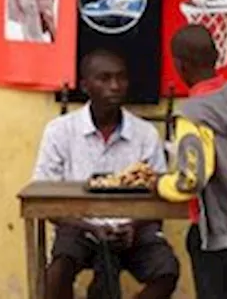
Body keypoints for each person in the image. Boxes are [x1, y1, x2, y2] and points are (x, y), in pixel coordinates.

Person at [32, 49, 179, 299]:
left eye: (121, 78)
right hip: (78, 226)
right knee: (57, 271)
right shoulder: (60, 132)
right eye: (105, 78)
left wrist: (133, 225)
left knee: (167, 271)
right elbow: (43, 198)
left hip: (134, 228)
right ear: (85, 85)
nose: (115, 86)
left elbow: (159, 195)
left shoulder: (145, 134)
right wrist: (89, 227)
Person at [154, 25, 227, 297]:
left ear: (179, 65)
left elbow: (190, 179)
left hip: (219, 237)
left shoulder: (193, 114)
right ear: (218, 55)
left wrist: (160, 184)